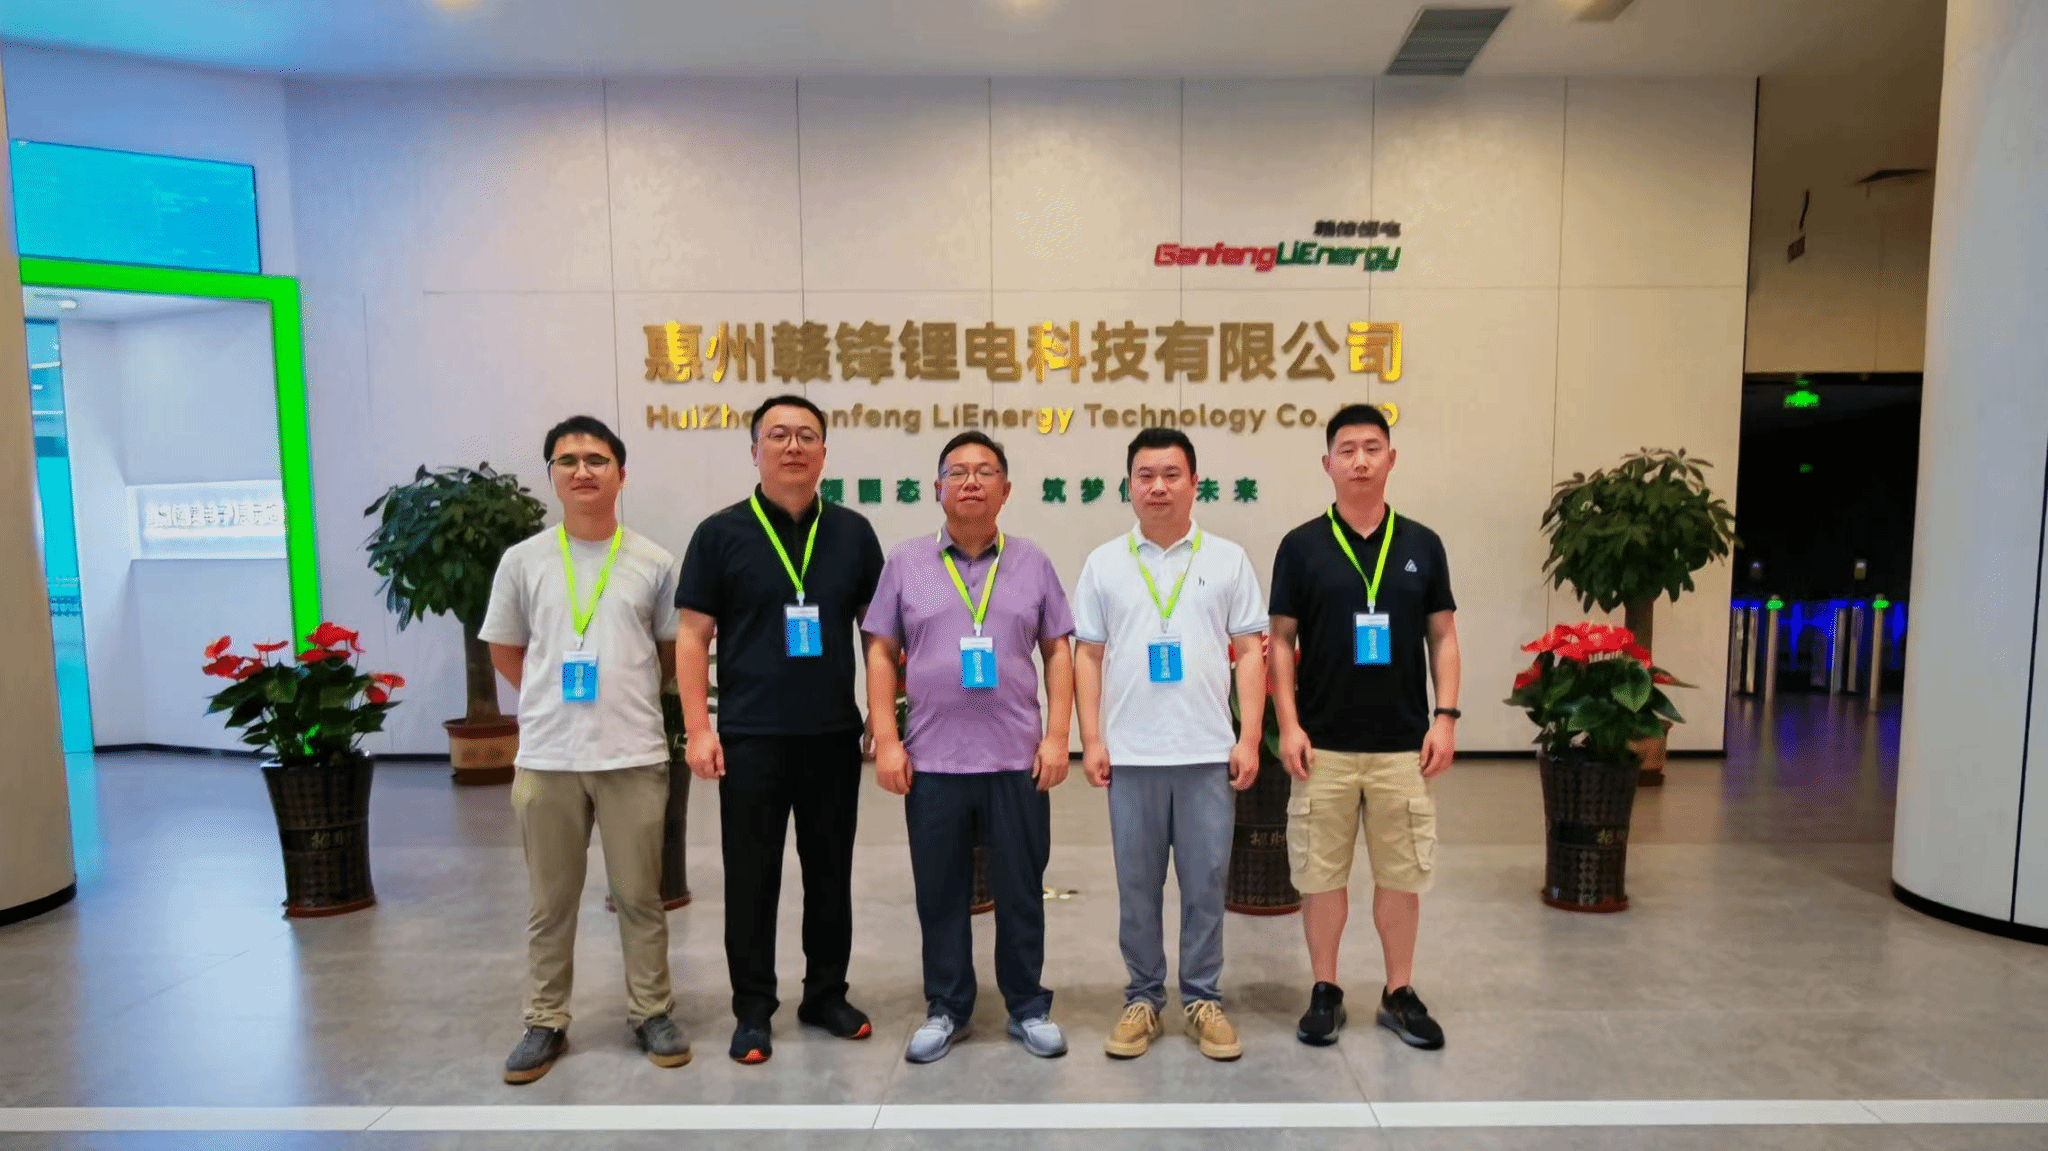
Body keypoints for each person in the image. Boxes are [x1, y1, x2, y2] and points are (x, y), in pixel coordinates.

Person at [674, 394, 886, 1065]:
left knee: (830, 873)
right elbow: (691, 636)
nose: (793, 446)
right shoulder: (720, 534)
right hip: (750, 737)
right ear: (755, 450)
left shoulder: (853, 533)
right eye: (778, 435)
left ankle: (825, 994)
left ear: (824, 452)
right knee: (751, 877)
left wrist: (884, 717)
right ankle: (752, 1009)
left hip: (831, 735)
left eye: (806, 435)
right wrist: (699, 729)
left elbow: (878, 636)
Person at [480, 415, 690, 1085]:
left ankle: (651, 1011)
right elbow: (506, 650)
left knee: (640, 897)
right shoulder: (523, 561)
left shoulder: (654, 561)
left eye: (596, 459)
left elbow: (668, 654)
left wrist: (619, 695)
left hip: (632, 755)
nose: (582, 470)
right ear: (552, 476)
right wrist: (550, 695)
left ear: (620, 474)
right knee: (550, 902)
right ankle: (544, 1019)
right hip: (548, 758)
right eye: (567, 460)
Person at [862, 430, 1076, 1065]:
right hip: (933, 762)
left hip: (1016, 760)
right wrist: (888, 739)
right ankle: (947, 1006)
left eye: (985, 472)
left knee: (1021, 890)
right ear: (937, 489)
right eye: (957, 472)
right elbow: (880, 650)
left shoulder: (1033, 562)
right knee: (940, 892)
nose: (971, 482)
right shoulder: (905, 562)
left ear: (1006, 490)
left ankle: (1027, 1005)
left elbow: (1058, 649)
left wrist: (1058, 736)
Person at [1268, 402, 1460, 1051]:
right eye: (1346, 450)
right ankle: (1325, 988)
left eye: (1372, 448)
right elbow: (1280, 640)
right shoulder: (1301, 546)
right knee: (1320, 877)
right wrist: (1288, 725)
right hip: (1321, 745)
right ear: (1327, 462)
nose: (1359, 461)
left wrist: (1446, 717)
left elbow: (1444, 636)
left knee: (1401, 877)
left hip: (1402, 745)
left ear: (1391, 458)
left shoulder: (1422, 545)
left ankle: (1398, 991)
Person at [1072, 427, 1268, 1062]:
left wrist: (1249, 736)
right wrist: (1091, 738)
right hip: (1132, 757)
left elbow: (1249, 653)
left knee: (1206, 883)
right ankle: (1143, 997)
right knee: (1137, 886)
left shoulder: (1228, 559)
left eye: (1171, 474)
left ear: (1194, 483)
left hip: (1207, 754)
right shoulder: (1104, 563)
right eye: (1145, 476)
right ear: (1129, 485)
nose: (1158, 487)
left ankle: (1203, 998)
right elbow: (1088, 655)